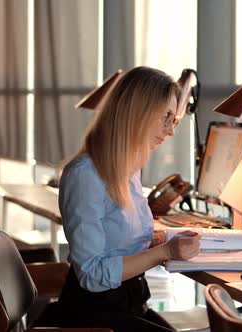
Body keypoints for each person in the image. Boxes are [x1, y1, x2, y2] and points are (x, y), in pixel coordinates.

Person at [53, 66, 201, 331]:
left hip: (128, 304)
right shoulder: (85, 175)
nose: (170, 131)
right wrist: (164, 252)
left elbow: (116, 237)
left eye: (174, 120)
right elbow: (92, 274)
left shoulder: (129, 168)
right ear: (136, 114)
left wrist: (158, 239)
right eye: (165, 117)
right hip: (93, 315)